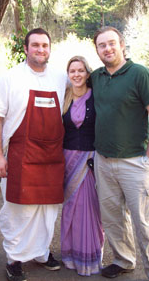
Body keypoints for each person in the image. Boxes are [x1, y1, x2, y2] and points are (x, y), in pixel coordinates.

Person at [0, 28, 68, 281]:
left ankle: (42, 253)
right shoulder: (10, 78)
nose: (40, 49)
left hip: (53, 157)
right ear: (25, 48)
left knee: (48, 209)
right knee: (17, 210)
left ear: (50, 48)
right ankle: (14, 258)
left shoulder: (60, 77)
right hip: (20, 155)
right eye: (35, 45)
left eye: (45, 45)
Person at [91, 26, 149, 281]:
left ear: (122, 45)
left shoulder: (140, 74)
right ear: (97, 50)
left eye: (112, 43)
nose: (107, 48)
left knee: (145, 222)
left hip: (135, 163)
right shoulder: (97, 77)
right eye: (102, 45)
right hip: (103, 161)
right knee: (113, 219)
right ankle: (124, 260)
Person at [61, 56, 104, 276]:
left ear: (88, 73)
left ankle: (89, 254)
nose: (76, 74)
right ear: (68, 75)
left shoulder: (96, 96)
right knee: (70, 208)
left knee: (89, 207)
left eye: (80, 70)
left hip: (90, 159)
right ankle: (70, 254)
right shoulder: (64, 97)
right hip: (67, 159)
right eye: (72, 71)